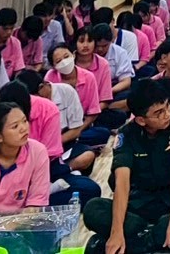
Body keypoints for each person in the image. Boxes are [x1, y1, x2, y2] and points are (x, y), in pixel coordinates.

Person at [81, 79, 170, 254]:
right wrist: (116, 232)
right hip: (140, 205)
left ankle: (137, 242)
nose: (166, 114)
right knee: (93, 209)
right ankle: (163, 241)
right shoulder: (126, 134)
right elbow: (122, 182)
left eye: (167, 107)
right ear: (141, 120)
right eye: (158, 113)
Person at [6, 71, 101, 204]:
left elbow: (49, 153)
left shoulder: (47, 108)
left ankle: (34, 199)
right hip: (11, 172)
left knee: (91, 190)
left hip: (45, 164)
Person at [0, 8, 26, 78]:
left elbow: (18, 70)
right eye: (5, 29)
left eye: (11, 28)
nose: (9, 32)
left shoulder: (15, 43)